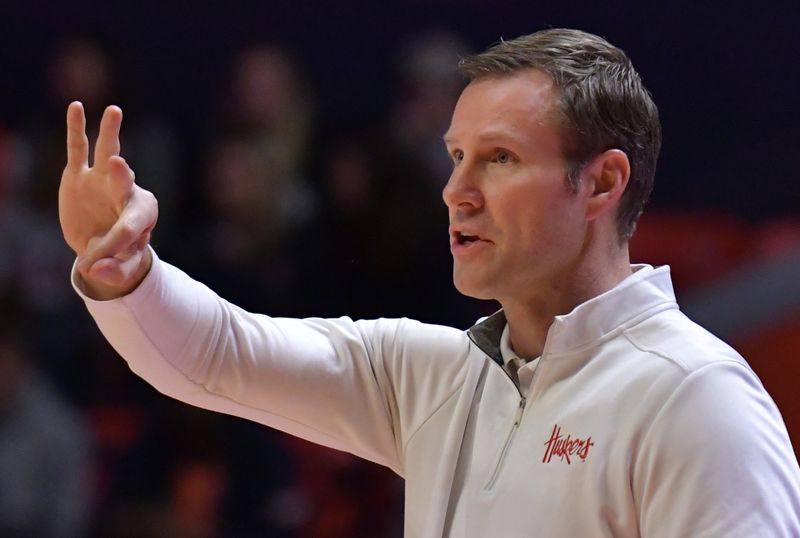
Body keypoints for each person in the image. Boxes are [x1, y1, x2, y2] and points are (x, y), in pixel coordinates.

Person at [59, 28, 800, 536]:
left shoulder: (695, 398)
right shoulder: (433, 377)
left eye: (500, 158)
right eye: (455, 155)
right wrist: (124, 270)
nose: (456, 190)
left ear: (602, 182)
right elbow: (221, 354)